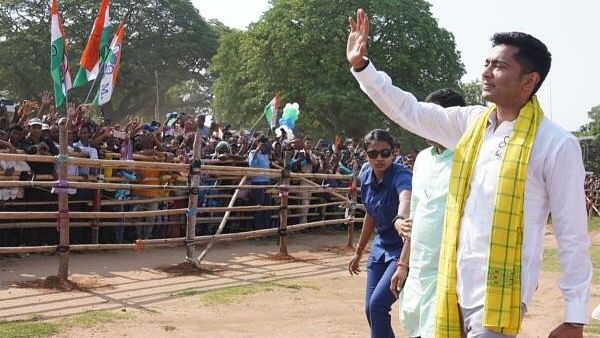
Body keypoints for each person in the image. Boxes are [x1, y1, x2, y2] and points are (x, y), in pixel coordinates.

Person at [347, 8, 591, 338]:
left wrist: (574, 317)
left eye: (500, 66)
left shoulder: (556, 144)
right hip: (452, 283)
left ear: (529, 81)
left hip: (500, 292)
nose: (486, 73)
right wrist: (363, 68)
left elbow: (572, 233)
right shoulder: (471, 123)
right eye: (487, 64)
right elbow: (411, 111)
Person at [390, 88, 465, 338]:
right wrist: (403, 264)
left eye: (429, 117)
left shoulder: (470, 158)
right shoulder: (423, 159)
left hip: (452, 275)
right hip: (419, 271)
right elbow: (417, 215)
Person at [348, 129, 412, 338]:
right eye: (373, 154)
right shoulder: (365, 176)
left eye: (385, 152)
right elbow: (371, 213)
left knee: (378, 306)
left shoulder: (401, 175)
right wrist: (359, 251)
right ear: (366, 155)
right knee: (370, 309)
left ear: (393, 152)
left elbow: (406, 198)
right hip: (379, 248)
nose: (380, 158)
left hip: (402, 251)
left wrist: (401, 218)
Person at [247, 135, 272, 229]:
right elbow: (251, 165)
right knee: (259, 207)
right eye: (263, 142)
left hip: (266, 182)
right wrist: (257, 150)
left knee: (267, 207)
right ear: (258, 143)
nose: (264, 145)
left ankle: (266, 230)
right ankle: (258, 230)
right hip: (257, 183)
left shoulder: (266, 155)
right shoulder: (253, 153)